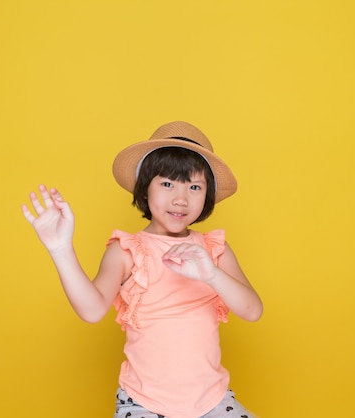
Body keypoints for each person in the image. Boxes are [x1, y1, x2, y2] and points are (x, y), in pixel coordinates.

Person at [22, 121, 263, 418]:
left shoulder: (213, 250)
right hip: (144, 403)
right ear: (144, 189)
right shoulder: (127, 250)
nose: (180, 198)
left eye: (195, 187)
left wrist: (211, 274)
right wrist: (61, 249)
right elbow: (92, 310)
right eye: (167, 183)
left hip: (211, 401)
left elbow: (253, 310)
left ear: (207, 195)